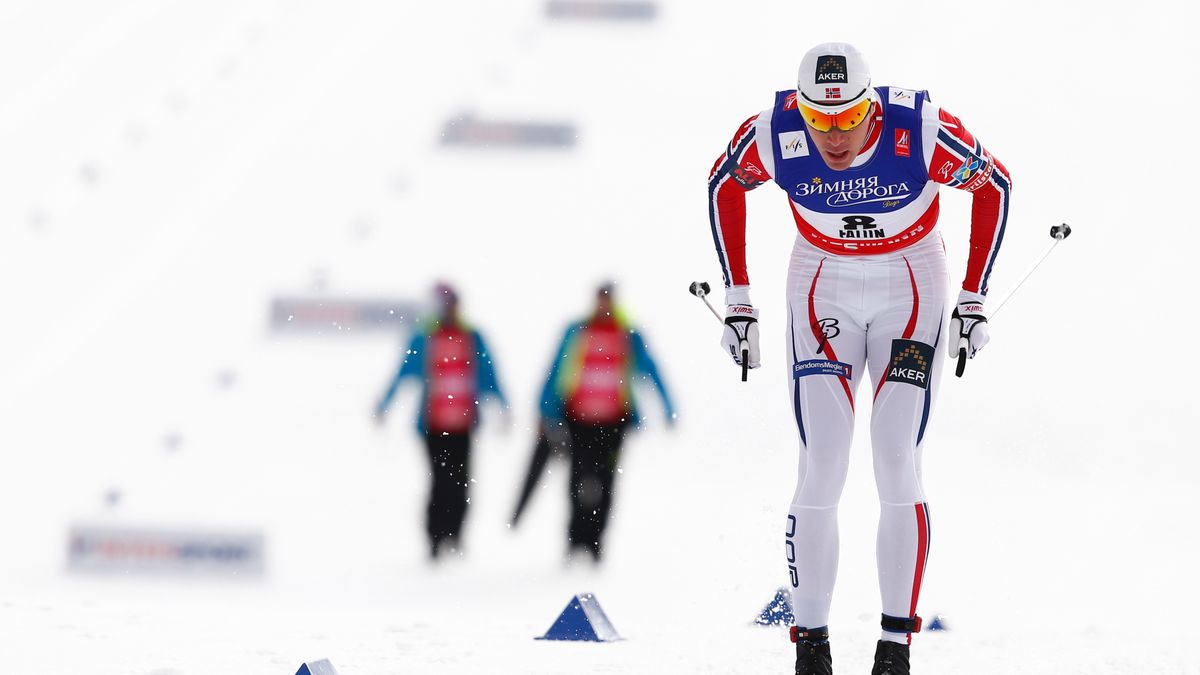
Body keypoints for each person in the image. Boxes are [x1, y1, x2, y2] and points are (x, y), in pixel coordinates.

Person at [706, 43, 1010, 675]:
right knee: (823, 458)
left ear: (872, 107)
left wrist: (974, 296)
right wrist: (739, 300)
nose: (835, 136)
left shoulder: (919, 130)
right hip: (823, 284)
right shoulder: (774, 130)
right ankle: (811, 643)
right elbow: (724, 183)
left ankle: (895, 644)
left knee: (896, 452)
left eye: (848, 119)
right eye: (821, 121)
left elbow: (995, 184)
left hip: (911, 283)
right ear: (803, 111)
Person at [537, 283, 675, 562]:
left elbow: (650, 370)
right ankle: (575, 541)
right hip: (579, 422)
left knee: (606, 482)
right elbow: (556, 371)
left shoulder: (628, 334)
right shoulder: (578, 332)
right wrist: (545, 410)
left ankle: (596, 543)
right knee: (578, 480)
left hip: (614, 424)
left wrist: (667, 407)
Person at [375, 282, 507, 560]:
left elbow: (488, 375)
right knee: (439, 480)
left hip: (464, 423)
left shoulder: (472, 337)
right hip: (432, 424)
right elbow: (403, 373)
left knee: (460, 482)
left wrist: (501, 406)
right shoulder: (424, 338)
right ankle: (435, 538)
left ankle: (455, 536)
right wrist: (384, 404)